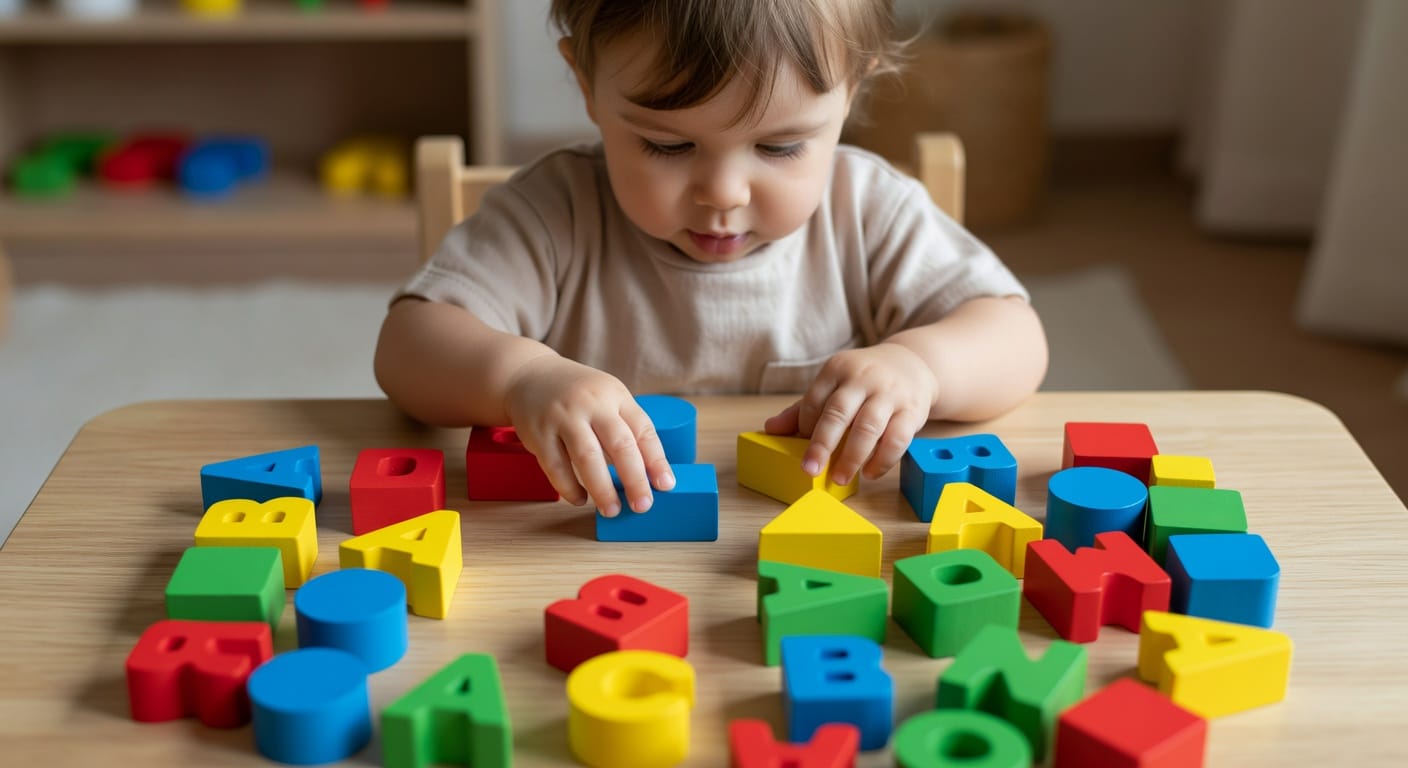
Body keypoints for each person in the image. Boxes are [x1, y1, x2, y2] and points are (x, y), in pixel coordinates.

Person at [374, 0, 1048, 519]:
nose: (723, 194)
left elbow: (1016, 336)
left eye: (781, 147)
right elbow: (408, 346)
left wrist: (922, 365)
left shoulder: (870, 210)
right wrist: (520, 377)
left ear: (853, 90)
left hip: (809, 551)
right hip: (591, 548)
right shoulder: (554, 215)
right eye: (667, 147)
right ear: (586, 81)